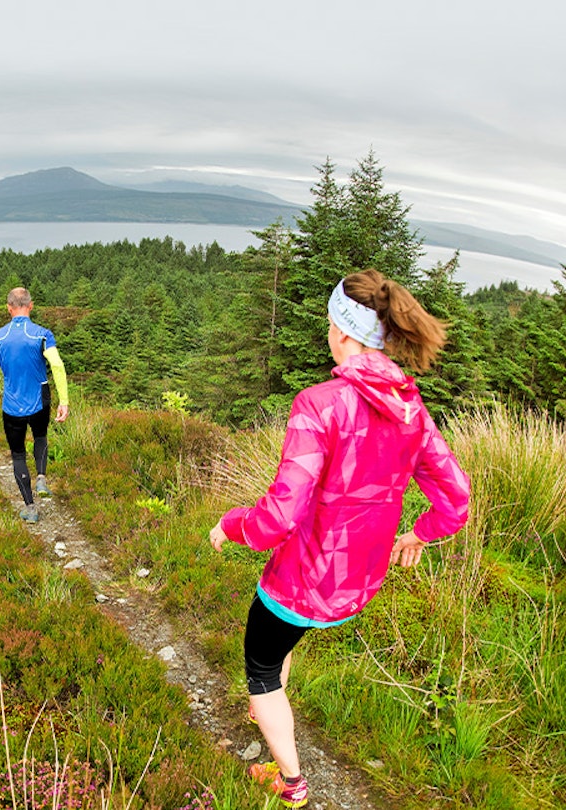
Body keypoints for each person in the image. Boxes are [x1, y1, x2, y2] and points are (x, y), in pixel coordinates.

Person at [208, 269, 470, 808]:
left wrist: (230, 524)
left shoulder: (319, 404)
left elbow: (280, 515)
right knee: (279, 648)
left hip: (299, 580)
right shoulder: (410, 408)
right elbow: (456, 496)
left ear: (340, 330)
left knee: (260, 663)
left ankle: (291, 783)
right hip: (357, 584)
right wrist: (421, 534)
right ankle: (268, 705)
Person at [0, 287, 69, 523]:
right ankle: (42, 478)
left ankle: (31, 507)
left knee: (17, 455)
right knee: (41, 436)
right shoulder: (43, 334)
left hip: (12, 406)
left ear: (8, 308)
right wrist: (64, 400)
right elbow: (57, 365)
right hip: (40, 399)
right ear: (31, 305)